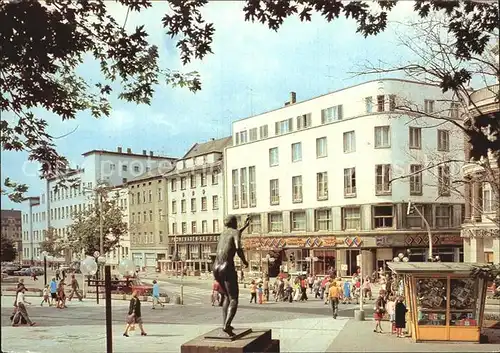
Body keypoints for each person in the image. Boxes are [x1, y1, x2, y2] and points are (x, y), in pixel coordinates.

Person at [212, 215, 250, 335]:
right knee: (233, 298)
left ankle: (225, 323)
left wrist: (245, 226)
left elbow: (235, 232)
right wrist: (244, 261)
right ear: (234, 223)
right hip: (227, 267)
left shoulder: (223, 234)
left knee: (226, 297)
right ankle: (226, 325)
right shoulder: (235, 232)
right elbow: (238, 248)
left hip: (216, 267)